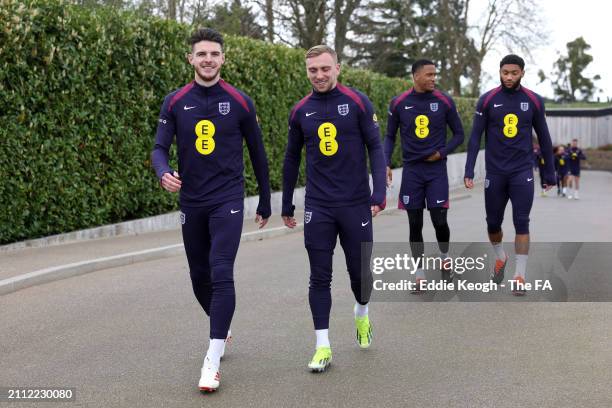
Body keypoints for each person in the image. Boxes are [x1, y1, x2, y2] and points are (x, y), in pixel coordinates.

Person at [151, 28, 271, 392]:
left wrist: (266, 200)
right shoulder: (175, 101)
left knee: (221, 271)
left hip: (228, 199)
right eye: (201, 54)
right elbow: (159, 148)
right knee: (198, 276)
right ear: (191, 59)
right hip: (192, 201)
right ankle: (223, 324)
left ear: (223, 58)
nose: (208, 59)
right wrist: (163, 172)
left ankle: (213, 357)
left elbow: (259, 155)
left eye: (214, 54)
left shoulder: (240, 100)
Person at [281, 45, 386, 372]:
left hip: (355, 204)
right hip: (319, 205)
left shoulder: (357, 101)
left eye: (325, 69)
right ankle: (322, 346)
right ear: (307, 71)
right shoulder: (300, 111)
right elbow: (291, 158)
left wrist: (378, 192)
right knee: (319, 276)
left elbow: (375, 147)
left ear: (338, 68)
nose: (319, 75)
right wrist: (287, 201)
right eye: (313, 70)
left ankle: (361, 313)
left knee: (360, 276)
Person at [464, 54, 555, 296]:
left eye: (514, 73)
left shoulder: (534, 101)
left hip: (522, 172)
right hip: (495, 172)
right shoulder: (487, 100)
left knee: (521, 222)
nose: (509, 77)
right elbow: (474, 138)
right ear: (500, 71)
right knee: (493, 223)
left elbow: (544, 140)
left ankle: (519, 276)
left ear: (522, 73)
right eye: (505, 72)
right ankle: (500, 257)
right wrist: (469, 169)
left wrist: (549, 173)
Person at [383, 59, 464, 290]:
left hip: (436, 171)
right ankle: (419, 275)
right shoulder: (398, 103)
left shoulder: (444, 101)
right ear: (415, 76)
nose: (433, 78)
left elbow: (459, 134)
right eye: (429, 74)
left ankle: (445, 258)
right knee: (414, 224)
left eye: (435, 74)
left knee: (439, 220)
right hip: (412, 172)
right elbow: (389, 136)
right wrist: (385, 163)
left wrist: (442, 153)